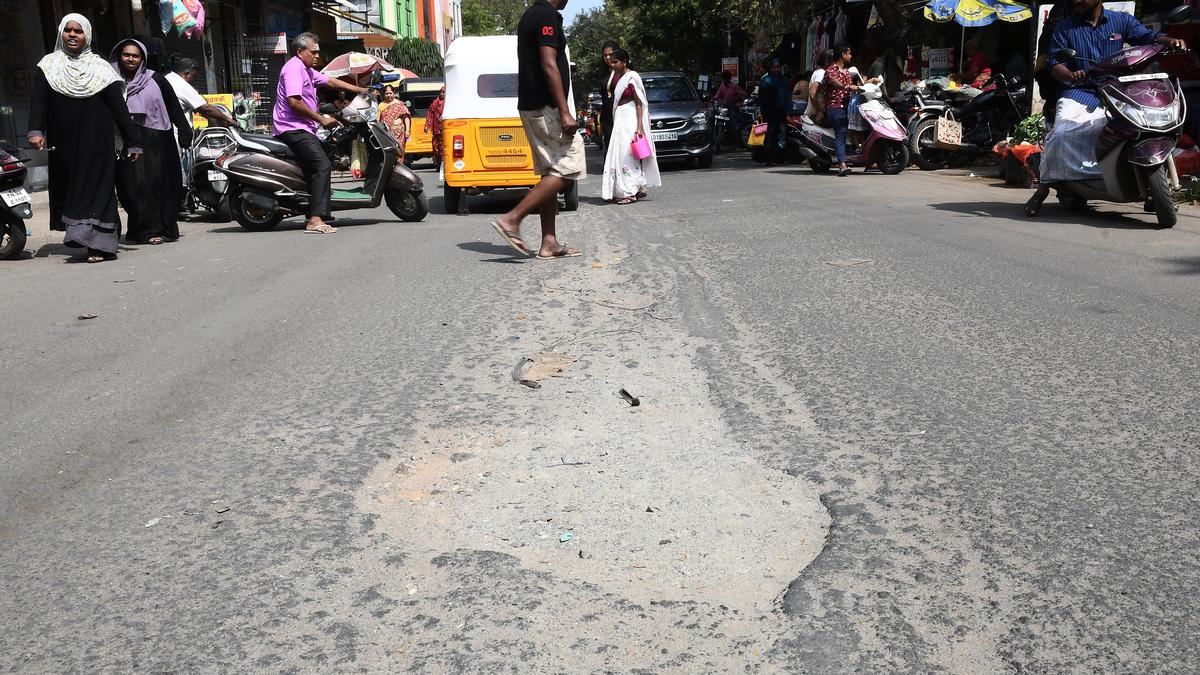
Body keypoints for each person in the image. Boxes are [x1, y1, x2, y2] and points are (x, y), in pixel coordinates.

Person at [1034, 0, 1184, 199]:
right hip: (1081, 90)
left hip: (1118, 89)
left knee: (1141, 126)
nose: (1076, 0)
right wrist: (1070, 75)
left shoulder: (1121, 21)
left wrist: (1170, 41)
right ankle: (1043, 189)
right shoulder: (1064, 27)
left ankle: (1140, 178)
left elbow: (1150, 37)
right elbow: (1055, 63)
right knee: (1061, 134)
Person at [27, 14, 142, 263]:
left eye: (78, 31)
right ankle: (84, 235)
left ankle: (98, 244)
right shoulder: (48, 66)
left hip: (97, 141)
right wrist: (35, 130)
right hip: (64, 142)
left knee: (98, 189)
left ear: (87, 35)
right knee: (73, 188)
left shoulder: (100, 68)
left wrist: (132, 140)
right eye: (67, 30)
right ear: (60, 33)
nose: (72, 35)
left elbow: (118, 108)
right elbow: (38, 102)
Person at [489, 0, 586, 260]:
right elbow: (548, 63)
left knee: (549, 172)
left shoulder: (531, 14)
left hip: (532, 106)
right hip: (546, 108)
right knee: (569, 166)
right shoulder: (547, 16)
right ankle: (512, 219)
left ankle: (549, 242)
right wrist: (564, 111)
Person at [271, 32, 366, 234]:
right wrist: (321, 119)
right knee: (321, 165)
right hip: (292, 128)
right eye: (313, 52)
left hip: (304, 127)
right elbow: (294, 102)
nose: (317, 56)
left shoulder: (306, 69)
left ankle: (314, 206)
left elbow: (330, 82)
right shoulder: (294, 69)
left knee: (329, 154)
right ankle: (314, 219)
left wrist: (359, 90)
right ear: (299, 52)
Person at [111, 39, 193, 246]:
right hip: (125, 139)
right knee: (132, 186)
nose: (130, 59)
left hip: (156, 138)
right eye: (126, 54)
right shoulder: (112, 80)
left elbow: (173, 106)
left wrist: (184, 130)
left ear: (143, 58)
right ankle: (140, 230)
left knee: (159, 183)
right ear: (119, 56)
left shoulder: (155, 79)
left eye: (135, 55)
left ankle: (161, 228)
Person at [601, 48, 662, 204]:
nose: (613, 64)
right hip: (620, 119)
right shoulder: (618, 78)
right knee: (619, 154)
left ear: (624, 62)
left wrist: (640, 126)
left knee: (628, 154)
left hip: (630, 119)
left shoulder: (632, 77)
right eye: (611, 62)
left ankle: (629, 192)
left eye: (616, 62)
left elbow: (639, 102)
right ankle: (629, 188)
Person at [823, 43, 862, 177]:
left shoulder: (847, 72)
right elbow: (835, 83)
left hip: (849, 108)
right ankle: (842, 165)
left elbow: (858, 85)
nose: (851, 56)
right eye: (849, 53)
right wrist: (847, 87)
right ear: (843, 55)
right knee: (841, 134)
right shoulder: (830, 70)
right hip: (835, 107)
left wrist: (870, 82)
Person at [165, 58, 236, 128]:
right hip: (177, 134)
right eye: (194, 76)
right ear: (186, 74)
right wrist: (228, 120)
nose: (194, 80)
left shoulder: (166, 79)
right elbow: (206, 108)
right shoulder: (182, 85)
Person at [758, 58, 789, 165]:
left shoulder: (782, 80)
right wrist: (760, 111)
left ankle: (779, 157)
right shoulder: (766, 81)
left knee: (781, 134)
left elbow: (786, 96)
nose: (777, 69)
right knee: (769, 134)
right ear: (770, 68)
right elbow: (761, 98)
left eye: (778, 67)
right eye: (774, 67)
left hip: (781, 111)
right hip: (769, 112)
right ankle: (767, 158)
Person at [379, 85, 412, 164]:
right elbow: (378, 119)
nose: (389, 95)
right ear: (384, 94)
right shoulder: (380, 105)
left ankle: (399, 167)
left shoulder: (399, 104)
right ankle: (390, 169)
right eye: (387, 93)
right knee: (389, 152)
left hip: (399, 134)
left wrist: (407, 130)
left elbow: (406, 117)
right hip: (386, 133)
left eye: (390, 93)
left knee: (398, 151)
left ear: (394, 93)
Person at [599, 40, 620, 149]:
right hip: (608, 118)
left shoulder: (624, 72)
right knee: (611, 148)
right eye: (605, 55)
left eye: (610, 54)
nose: (607, 57)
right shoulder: (603, 73)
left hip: (622, 116)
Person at [807, 49, 836, 124]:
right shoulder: (822, 73)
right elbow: (813, 93)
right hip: (817, 114)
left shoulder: (818, 71)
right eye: (833, 62)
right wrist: (819, 111)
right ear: (827, 62)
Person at [424, 86, 446, 169]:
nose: (442, 93)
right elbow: (430, 114)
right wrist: (427, 126)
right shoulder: (435, 102)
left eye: (444, 92)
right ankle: (438, 163)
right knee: (436, 147)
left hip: (447, 130)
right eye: (441, 92)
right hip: (437, 130)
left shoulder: (450, 102)